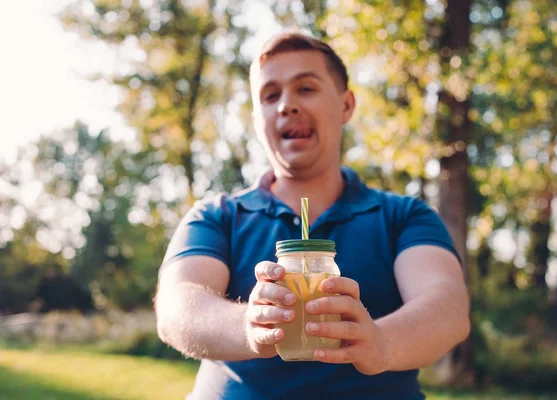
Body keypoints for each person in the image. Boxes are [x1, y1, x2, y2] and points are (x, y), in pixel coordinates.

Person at [154, 32, 470, 400]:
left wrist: (379, 343)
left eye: (305, 88)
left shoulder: (404, 216)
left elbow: (447, 308)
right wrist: (251, 324)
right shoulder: (216, 216)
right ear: (257, 119)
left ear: (346, 105)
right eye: (270, 95)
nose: (286, 105)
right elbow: (177, 308)